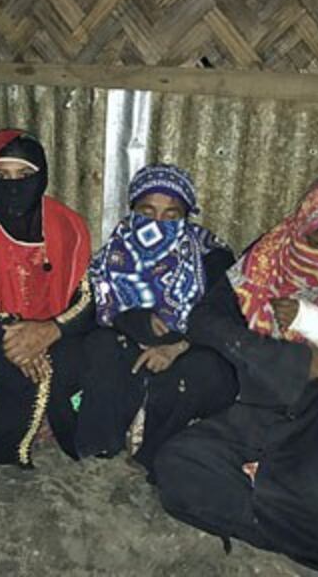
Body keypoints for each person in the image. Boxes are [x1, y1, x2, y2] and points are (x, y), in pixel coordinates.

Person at [153, 174, 318, 574]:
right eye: (313, 245)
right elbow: (205, 320)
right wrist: (284, 358)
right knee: (176, 463)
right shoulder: (266, 259)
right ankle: (300, 531)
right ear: (299, 228)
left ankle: (279, 515)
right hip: (258, 402)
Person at [0, 128, 93, 467]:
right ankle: (6, 432)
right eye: (0, 175)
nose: (13, 185)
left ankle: (51, 419)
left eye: (24, 175)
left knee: (86, 351)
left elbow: (87, 302)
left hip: (55, 335)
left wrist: (50, 330)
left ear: (43, 178)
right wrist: (17, 332)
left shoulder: (67, 227)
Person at [74, 164, 238, 469]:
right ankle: (107, 438)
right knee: (101, 345)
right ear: (133, 210)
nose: (157, 223)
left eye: (171, 215)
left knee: (207, 371)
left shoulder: (212, 256)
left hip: (188, 348)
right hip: (130, 346)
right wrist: (131, 319)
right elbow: (94, 308)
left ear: (186, 216)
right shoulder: (115, 251)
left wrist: (176, 346)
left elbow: (224, 319)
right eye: (147, 212)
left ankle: (153, 448)